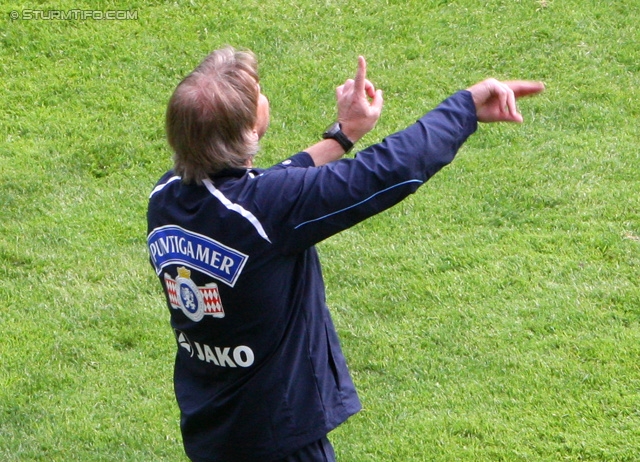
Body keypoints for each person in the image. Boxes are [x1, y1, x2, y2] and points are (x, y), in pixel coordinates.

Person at [146, 46, 544, 462]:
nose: (265, 98)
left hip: (213, 428)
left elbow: (267, 188)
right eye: (259, 94)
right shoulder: (268, 210)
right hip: (278, 437)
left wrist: (342, 135)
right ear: (250, 128)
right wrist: (466, 106)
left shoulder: (166, 196)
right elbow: (390, 170)